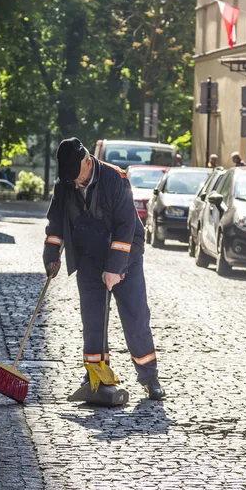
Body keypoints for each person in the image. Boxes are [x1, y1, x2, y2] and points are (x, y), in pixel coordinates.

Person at [43, 137, 164, 400]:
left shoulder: (115, 178)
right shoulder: (65, 184)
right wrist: (52, 255)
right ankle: (95, 374)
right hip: (88, 257)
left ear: (88, 161)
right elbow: (55, 222)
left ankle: (149, 377)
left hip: (125, 255)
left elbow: (126, 226)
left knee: (135, 317)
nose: (74, 182)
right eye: (69, 178)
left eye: (77, 175)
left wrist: (114, 268)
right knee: (93, 320)